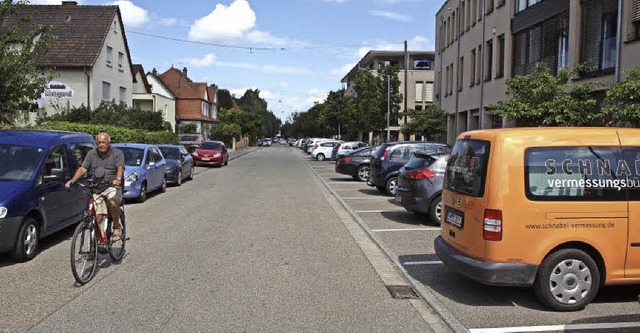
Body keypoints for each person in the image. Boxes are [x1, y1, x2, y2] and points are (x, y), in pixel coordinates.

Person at [65, 132, 125, 241]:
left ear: (109, 143)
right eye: (99, 143)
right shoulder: (91, 154)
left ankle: (117, 226)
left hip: (112, 186)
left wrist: (118, 179)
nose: (101, 145)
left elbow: (120, 168)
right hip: (97, 187)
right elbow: (83, 168)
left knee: (112, 201)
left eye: (104, 142)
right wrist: (73, 180)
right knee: (97, 218)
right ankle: (94, 248)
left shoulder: (117, 153)